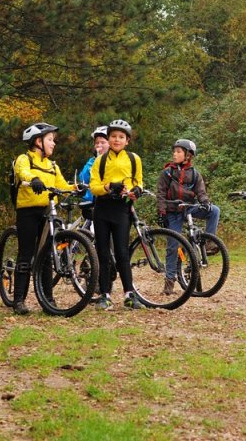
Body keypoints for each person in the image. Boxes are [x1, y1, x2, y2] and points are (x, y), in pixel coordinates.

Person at [12, 122, 80, 315]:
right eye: (50, 140)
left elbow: (62, 185)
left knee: (47, 255)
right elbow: (22, 172)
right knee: (26, 254)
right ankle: (19, 300)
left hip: (47, 211)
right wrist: (33, 179)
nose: (54, 144)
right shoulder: (24, 159)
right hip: (27, 211)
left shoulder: (52, 165)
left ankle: (48, 300)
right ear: (37, 142)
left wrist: (77, 188)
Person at [88, 119, 144, 310]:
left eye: (121, 137)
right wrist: (109, 186)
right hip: (103, 208)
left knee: (122, 252)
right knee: (103, 253)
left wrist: (137, 190)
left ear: (127, 140)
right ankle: (105, 295)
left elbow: (139, 181)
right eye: (113, 136)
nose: (117, 140)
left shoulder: (134, 159)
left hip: (122, 209)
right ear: (108, 139)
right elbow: (94, 186)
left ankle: (129, 294)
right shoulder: (100, 160)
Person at [156, 138, 220, 295]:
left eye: (178, 151)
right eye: (174, 151)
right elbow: (161, 194)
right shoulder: (167, 172)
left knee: (215, 210)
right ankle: (170, 280)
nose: (174, 154)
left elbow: (201, 193)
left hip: (189, 209)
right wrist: (162, 212)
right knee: (173, 245)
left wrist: (205, 203)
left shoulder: (195, 174)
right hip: (173, 211)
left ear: (188, 156)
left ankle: (208, 242)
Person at [78, 126, 109, 217]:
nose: (99, 145)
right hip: (91, 202)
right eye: (97, 143)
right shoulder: (92, 161)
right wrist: (94, 162)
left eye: (103, 142)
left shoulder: (114, 161)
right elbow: (83, 178)